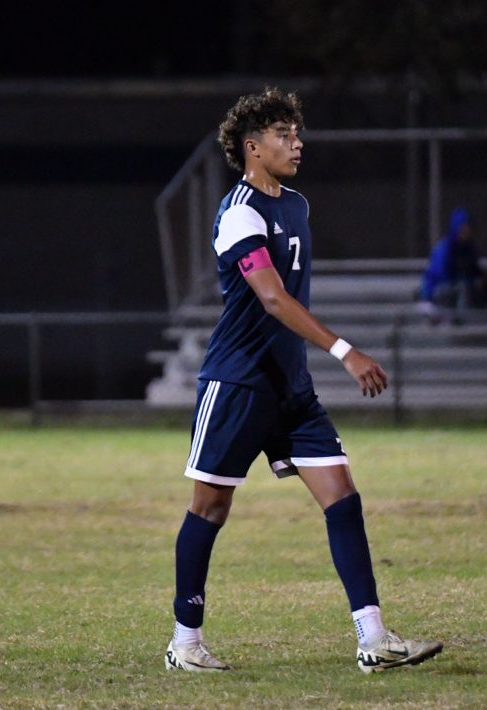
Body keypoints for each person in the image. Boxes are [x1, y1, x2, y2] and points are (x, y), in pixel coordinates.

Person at [164, 88, 442, 674]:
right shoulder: (239, 211)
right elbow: (270, 297)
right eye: (284, 135)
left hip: (290, 388)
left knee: (342, 495)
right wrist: (344, 350)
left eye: (298, 133)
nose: (297, 143)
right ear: (252, 148)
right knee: (209, 509)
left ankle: (375, 640)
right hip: (239, 384)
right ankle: (185, 643)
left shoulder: (297, 204)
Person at [419, 207, 487, 311]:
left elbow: (474, 270)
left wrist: (483, 278)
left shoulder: (469, 248)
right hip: (437, 290)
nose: (468, 230)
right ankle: (461, 322)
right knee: (464, 289)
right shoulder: (445, 248)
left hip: (460, 288)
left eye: (469, 227)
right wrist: (471, 282)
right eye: (464, 227)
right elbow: (445, 277)